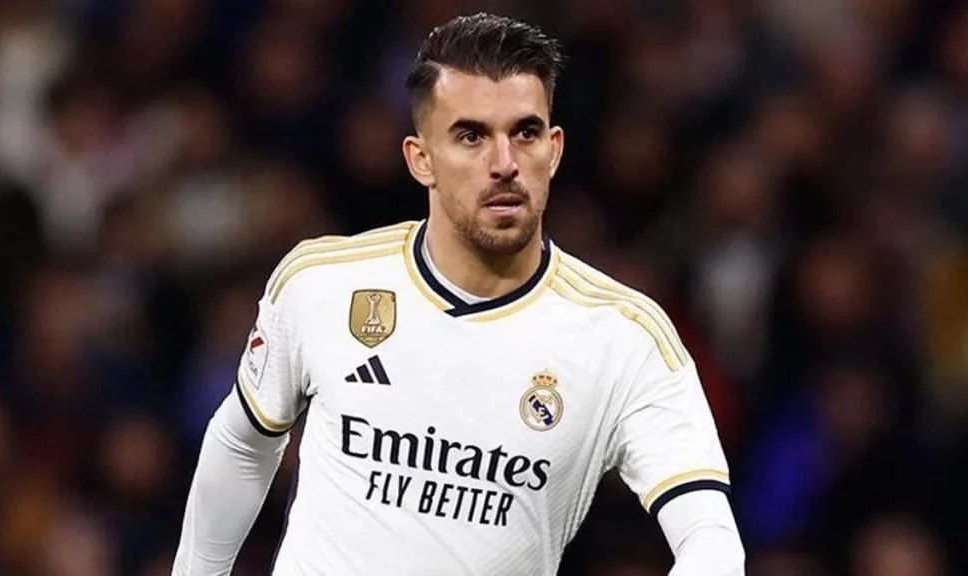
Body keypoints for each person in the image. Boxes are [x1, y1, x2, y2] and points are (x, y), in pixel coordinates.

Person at [172, 12, 744, 576]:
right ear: (421, 159)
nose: (505, 164)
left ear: (555, 150)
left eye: (525, 133)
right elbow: (243, 444)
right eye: (472, 136)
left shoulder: (625, 339)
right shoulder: (322, 282)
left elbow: (711, 539)